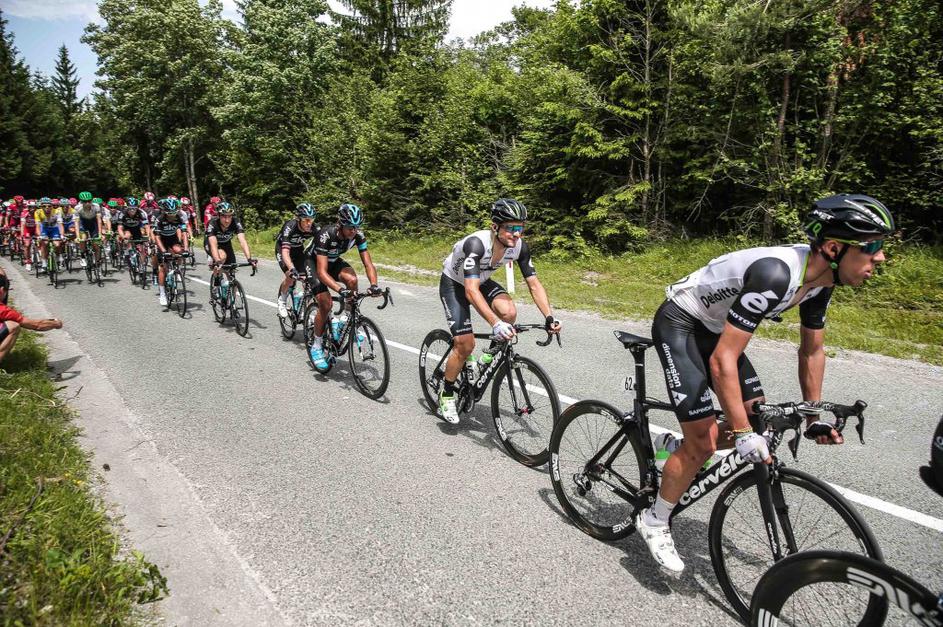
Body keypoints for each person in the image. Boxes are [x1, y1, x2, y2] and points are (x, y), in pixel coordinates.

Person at [634, 193, 895, 574]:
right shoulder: (776, 275)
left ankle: (673, 449)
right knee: (709, 440)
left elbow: (812, 351)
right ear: (834, 248)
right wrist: (740, 434)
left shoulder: (821, 282)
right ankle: (655, 519)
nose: (880, 257)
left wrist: (812, 417)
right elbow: (722, 362)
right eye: (870, 247)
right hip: (682, 322)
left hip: (714, 328)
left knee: (760, 419)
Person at [436, 198, 562, 423]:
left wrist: (549, 317)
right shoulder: (476, 244)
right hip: (454, 284)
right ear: (495, 227)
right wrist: (495, 324)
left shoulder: (519, 247)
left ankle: (488, 356)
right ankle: (446, 394)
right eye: (511, 228)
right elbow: (471, 291)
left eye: (520, 228)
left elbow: (534, 284)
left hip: (481, 280)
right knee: (465, 344)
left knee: (509, 312)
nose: (516, 234)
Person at [304, 203, 382, 371]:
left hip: (333, 261)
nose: (353, 231)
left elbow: (368, 264)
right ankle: (316, 345)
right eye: (350, 227)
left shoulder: (358, 235)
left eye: (356, 227)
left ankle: (345, 321)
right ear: (340, 224)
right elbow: (322, 272)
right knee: (326, 304)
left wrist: (374, 285)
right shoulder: (326, 235)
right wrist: (340, 290)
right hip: (314, 264)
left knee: (352, 280)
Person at [0, 272, 63, 366]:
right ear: (2, 290)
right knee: (13, 326)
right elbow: (36, 325)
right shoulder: (3, 310)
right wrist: (56, 323)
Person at [204, 202, 256, 302]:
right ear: (219, 216)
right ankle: (216, 285)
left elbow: (242, 241)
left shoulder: (236, 222)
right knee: (221, 257)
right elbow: (213, 244)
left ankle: (232, 303)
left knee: (231, 273)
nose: (227, 220)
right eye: (224, 216)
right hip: (211, 244)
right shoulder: (212, 223)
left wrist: (249, 259)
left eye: (229, 216)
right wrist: (217, 260)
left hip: (226, 244)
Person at [275, 203, 318, 319]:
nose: (309, 223)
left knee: (308, 279)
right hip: (283, 250)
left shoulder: (314, 228)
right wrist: (292, 268)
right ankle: (282, 300)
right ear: (299, 219)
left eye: (312, 219)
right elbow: (285, 252)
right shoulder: (290, 227)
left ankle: (306, 308)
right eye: (306, 220)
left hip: (298, 250)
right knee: (290, 276)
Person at [152, 198, 185, 306]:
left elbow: (184, 233)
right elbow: (157, 237)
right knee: (163, 268)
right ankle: (162, 294)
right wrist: (163, 251)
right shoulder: (160, 219)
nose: (172, 216)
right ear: (164, 212)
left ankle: (177, 268)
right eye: (169, 213)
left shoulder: (179, 218)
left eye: (174, 213)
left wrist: (186, 249)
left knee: (179, 251)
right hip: (162, 241)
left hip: (173, 239)